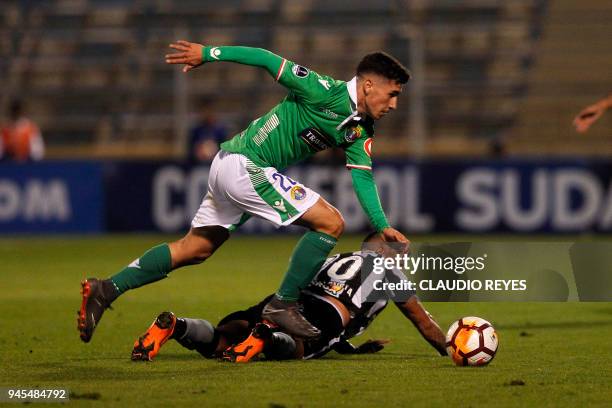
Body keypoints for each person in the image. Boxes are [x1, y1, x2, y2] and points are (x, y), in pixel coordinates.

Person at [78, 42, 411, 343]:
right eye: (392, 93)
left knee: (195, 249)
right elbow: (266, 59)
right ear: (369, 85)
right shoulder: (323, 90)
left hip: (229, 165)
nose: (394, 104)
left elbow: (363, 177)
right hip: (244, 165)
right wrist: (209, 54)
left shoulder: (359, 127)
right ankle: (283, 304)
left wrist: (381, 225)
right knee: (331, 223)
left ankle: (106, 288)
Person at [131, 234, 447, 362]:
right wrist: (454, 348)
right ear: (382, 252)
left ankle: (177, 326)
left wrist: (349, 346)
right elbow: (424, 324)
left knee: (223, 340)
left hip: (284, 302)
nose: (403, 258)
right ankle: (267, 336)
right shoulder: (389, 274)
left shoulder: (334, 259)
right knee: (296, 348)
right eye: (399, 252)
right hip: (327, 315)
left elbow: (301, 279)